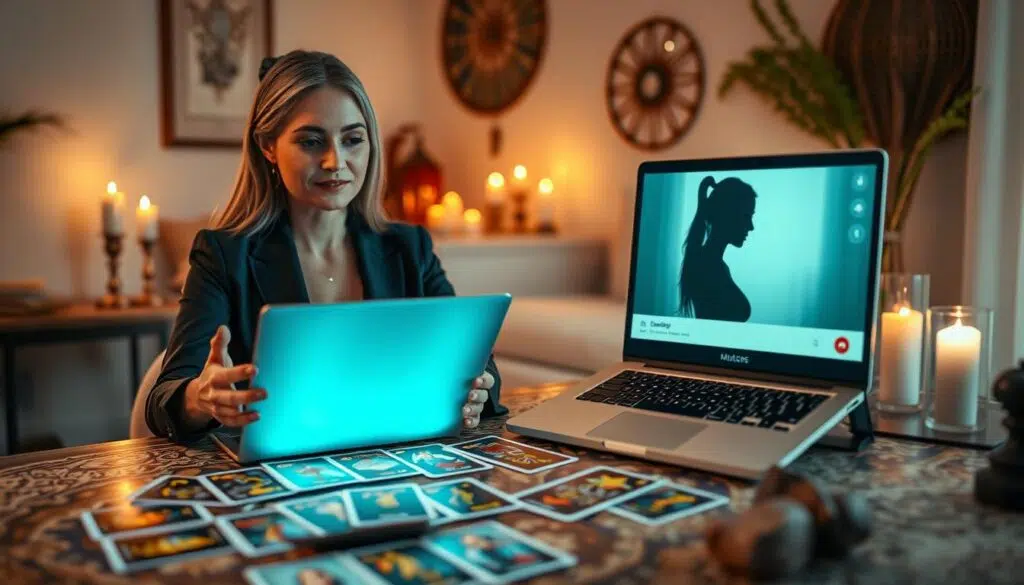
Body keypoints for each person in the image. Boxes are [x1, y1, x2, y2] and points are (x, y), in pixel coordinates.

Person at [146, 50, 505, 443]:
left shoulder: (409, 248)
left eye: (352, 140)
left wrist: (477, 390)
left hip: (394, 461)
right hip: (273, 471)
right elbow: (163, 399)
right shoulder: (223, 256)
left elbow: (476, 364)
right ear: (268, 146)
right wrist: (201, 398)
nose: (336, 161)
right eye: (311, 141)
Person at [677, 175, 756, 322]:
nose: (751, 227)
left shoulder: (711, 264)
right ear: (728, 215)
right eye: (746, 216)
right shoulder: (708, 266)